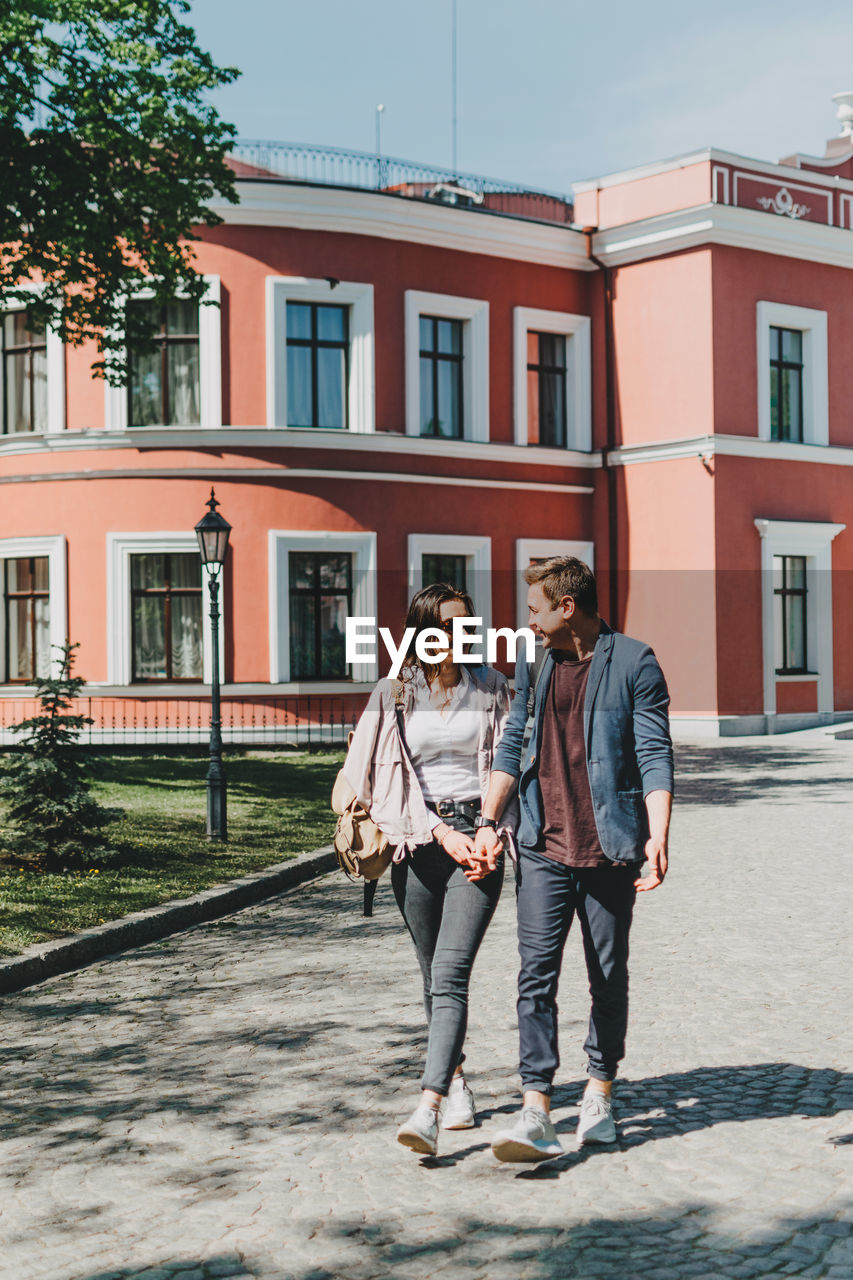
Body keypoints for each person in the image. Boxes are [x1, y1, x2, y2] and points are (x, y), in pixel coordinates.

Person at [472, 556, 673, 1163]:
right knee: (535, 975)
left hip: (609, 847)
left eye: (533, 609)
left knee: (606, 976)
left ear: (566, 607)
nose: (525, 621)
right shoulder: (536, 661)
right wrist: (488, 821)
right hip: (542, 844)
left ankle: (599, 1091)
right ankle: (536, 1106)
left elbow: (654, 752)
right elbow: (513, 741)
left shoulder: (635, 661)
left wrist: (658, 834)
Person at [342, 583, 515, 1157]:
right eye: (447, 625)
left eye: (468, 624)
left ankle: (431, 1102)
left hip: (479, 838)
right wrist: (440, 831)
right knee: (431, 973)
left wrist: (490, 828)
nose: (460, 634)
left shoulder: (490, 687)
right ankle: (459, 1079)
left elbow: (512, 764)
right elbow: (373, 782)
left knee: (451, 968)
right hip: (416, 844)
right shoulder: (393, 694)